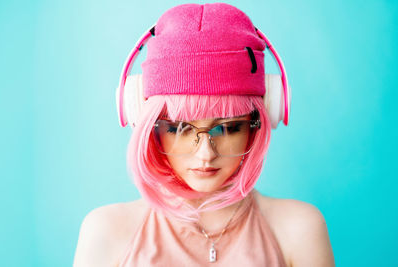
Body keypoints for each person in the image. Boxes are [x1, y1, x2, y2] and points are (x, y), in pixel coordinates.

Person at [73, 3, 335, 267]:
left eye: (228, 127)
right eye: (179, 128)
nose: (206, 154)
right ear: (146, 123)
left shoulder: (299, 230)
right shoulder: (106, 232)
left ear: (257, 123)